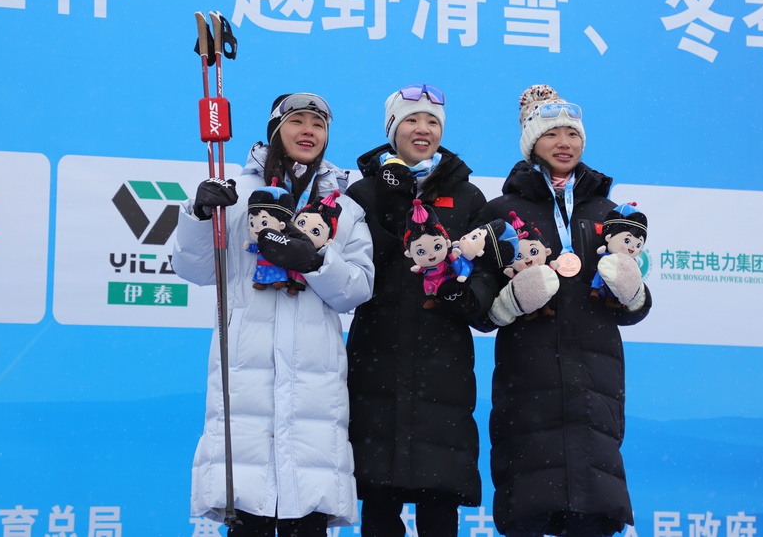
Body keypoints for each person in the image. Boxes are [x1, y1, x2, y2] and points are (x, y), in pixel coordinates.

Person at [172, 92, 375, 537]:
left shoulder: (343, 206)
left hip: (314, 385)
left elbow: (357, 289)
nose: (309, 132)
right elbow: (194, 268)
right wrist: (199, 213)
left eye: (318, 125)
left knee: (307, 517)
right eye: (297, 121)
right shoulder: (236, 194)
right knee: (250, 514)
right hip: (247, 378)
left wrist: (316, 261)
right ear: (275, 131)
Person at [472, 84, 652, 537]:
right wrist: (510, 302)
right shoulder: (501, 212)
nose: (564, 142)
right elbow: (479, 308)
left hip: (596, 378)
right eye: (551, 133)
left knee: (592, 512)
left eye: (572, 133)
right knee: (530, 507)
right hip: (528, 378)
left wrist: (633, 292)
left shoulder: (611, 213)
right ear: (532, 142)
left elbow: (632, 308)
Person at [345, 84, 492, 537]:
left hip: (443, 365)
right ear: (392, 129)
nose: (422, 129)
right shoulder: (362, 192)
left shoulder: (467, 196)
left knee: (439, 500)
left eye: (432, 121)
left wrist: (463, 296)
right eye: (411, 119)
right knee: (379, 499)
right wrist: (394, 204)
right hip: (377, 361)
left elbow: (486, 276)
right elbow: (355, 267)